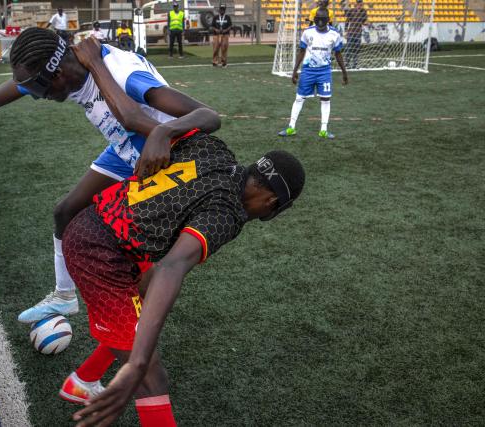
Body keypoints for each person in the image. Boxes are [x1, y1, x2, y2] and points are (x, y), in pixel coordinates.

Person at [54, 44, 306, 425]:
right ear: (270, 201)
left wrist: (163, 130)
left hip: (108, 227)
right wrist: (138, 361)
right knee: (151, 376)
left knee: (144, 297)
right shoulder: (228, 216)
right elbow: (174, 265)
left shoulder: (214, 151)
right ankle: (105, 373)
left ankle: (83, 378)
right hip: (98, 251)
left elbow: (202, 116)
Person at [0, 30, 219, 323]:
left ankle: (129, 333)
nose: (36, 97)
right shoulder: (64, 69)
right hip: (125, 147)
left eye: (38, 89)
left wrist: (165, 131)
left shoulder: (122, 74)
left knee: (126, 250)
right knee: (66, 211)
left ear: (59, 74)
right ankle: (65, 297)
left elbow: (208, 116)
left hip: (169, 161)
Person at [278, 8, 348, 139]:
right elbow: (302, 51)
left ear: (328, 20)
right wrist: (294, 71)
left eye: (323, 19)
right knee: (299, 98)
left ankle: (324, 129)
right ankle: (291, 127)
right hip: (308, 71)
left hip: (325, 72)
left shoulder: (335, 34)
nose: (320, 21)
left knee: (326, 99)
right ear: (315, 19)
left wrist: (345, 72)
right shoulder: (307, 32)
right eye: (318, 19)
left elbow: (338, 54)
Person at [343, 0, 367, 69]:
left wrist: (366, 23)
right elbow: (347, 21)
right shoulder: (351, 10)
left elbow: (364, 21)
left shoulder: (363, 11)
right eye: (359, 4)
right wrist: (345, 31)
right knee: (349, 48)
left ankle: (355, 64)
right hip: (351, 32)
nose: (360, 5)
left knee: (356, 48)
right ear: (356, 4)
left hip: (358, 32)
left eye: (361, 4)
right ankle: (347, 63)